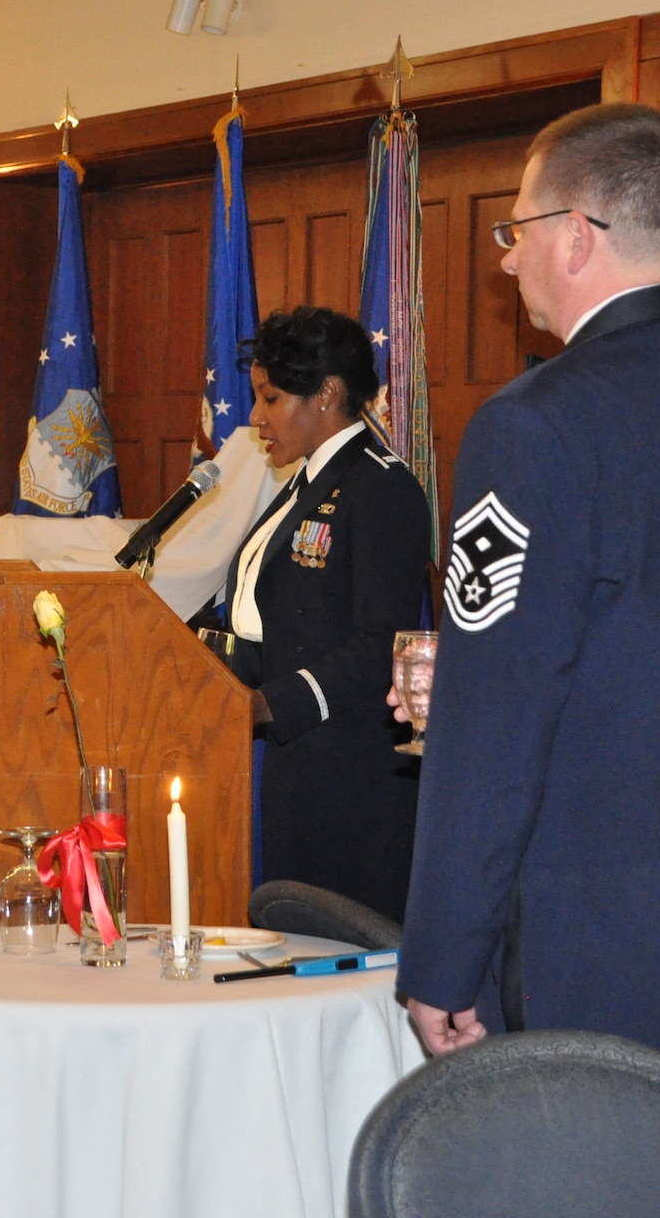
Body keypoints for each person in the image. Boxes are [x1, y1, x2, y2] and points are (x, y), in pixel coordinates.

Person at [400, 104, 660, 1108]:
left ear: (574, 236)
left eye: (513, 233)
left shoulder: (533, 423)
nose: (506, 263)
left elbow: (493, 720)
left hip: (584, 923)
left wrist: (441, 953)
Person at [221, 306, 433, 922]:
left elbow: (378, 645)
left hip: (353, 777)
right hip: (300, 764)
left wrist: (270, 704)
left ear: (328, 395)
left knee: (340, 953)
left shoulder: (380, 486)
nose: (256, 416)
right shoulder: (307, 480)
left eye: (272, 397)